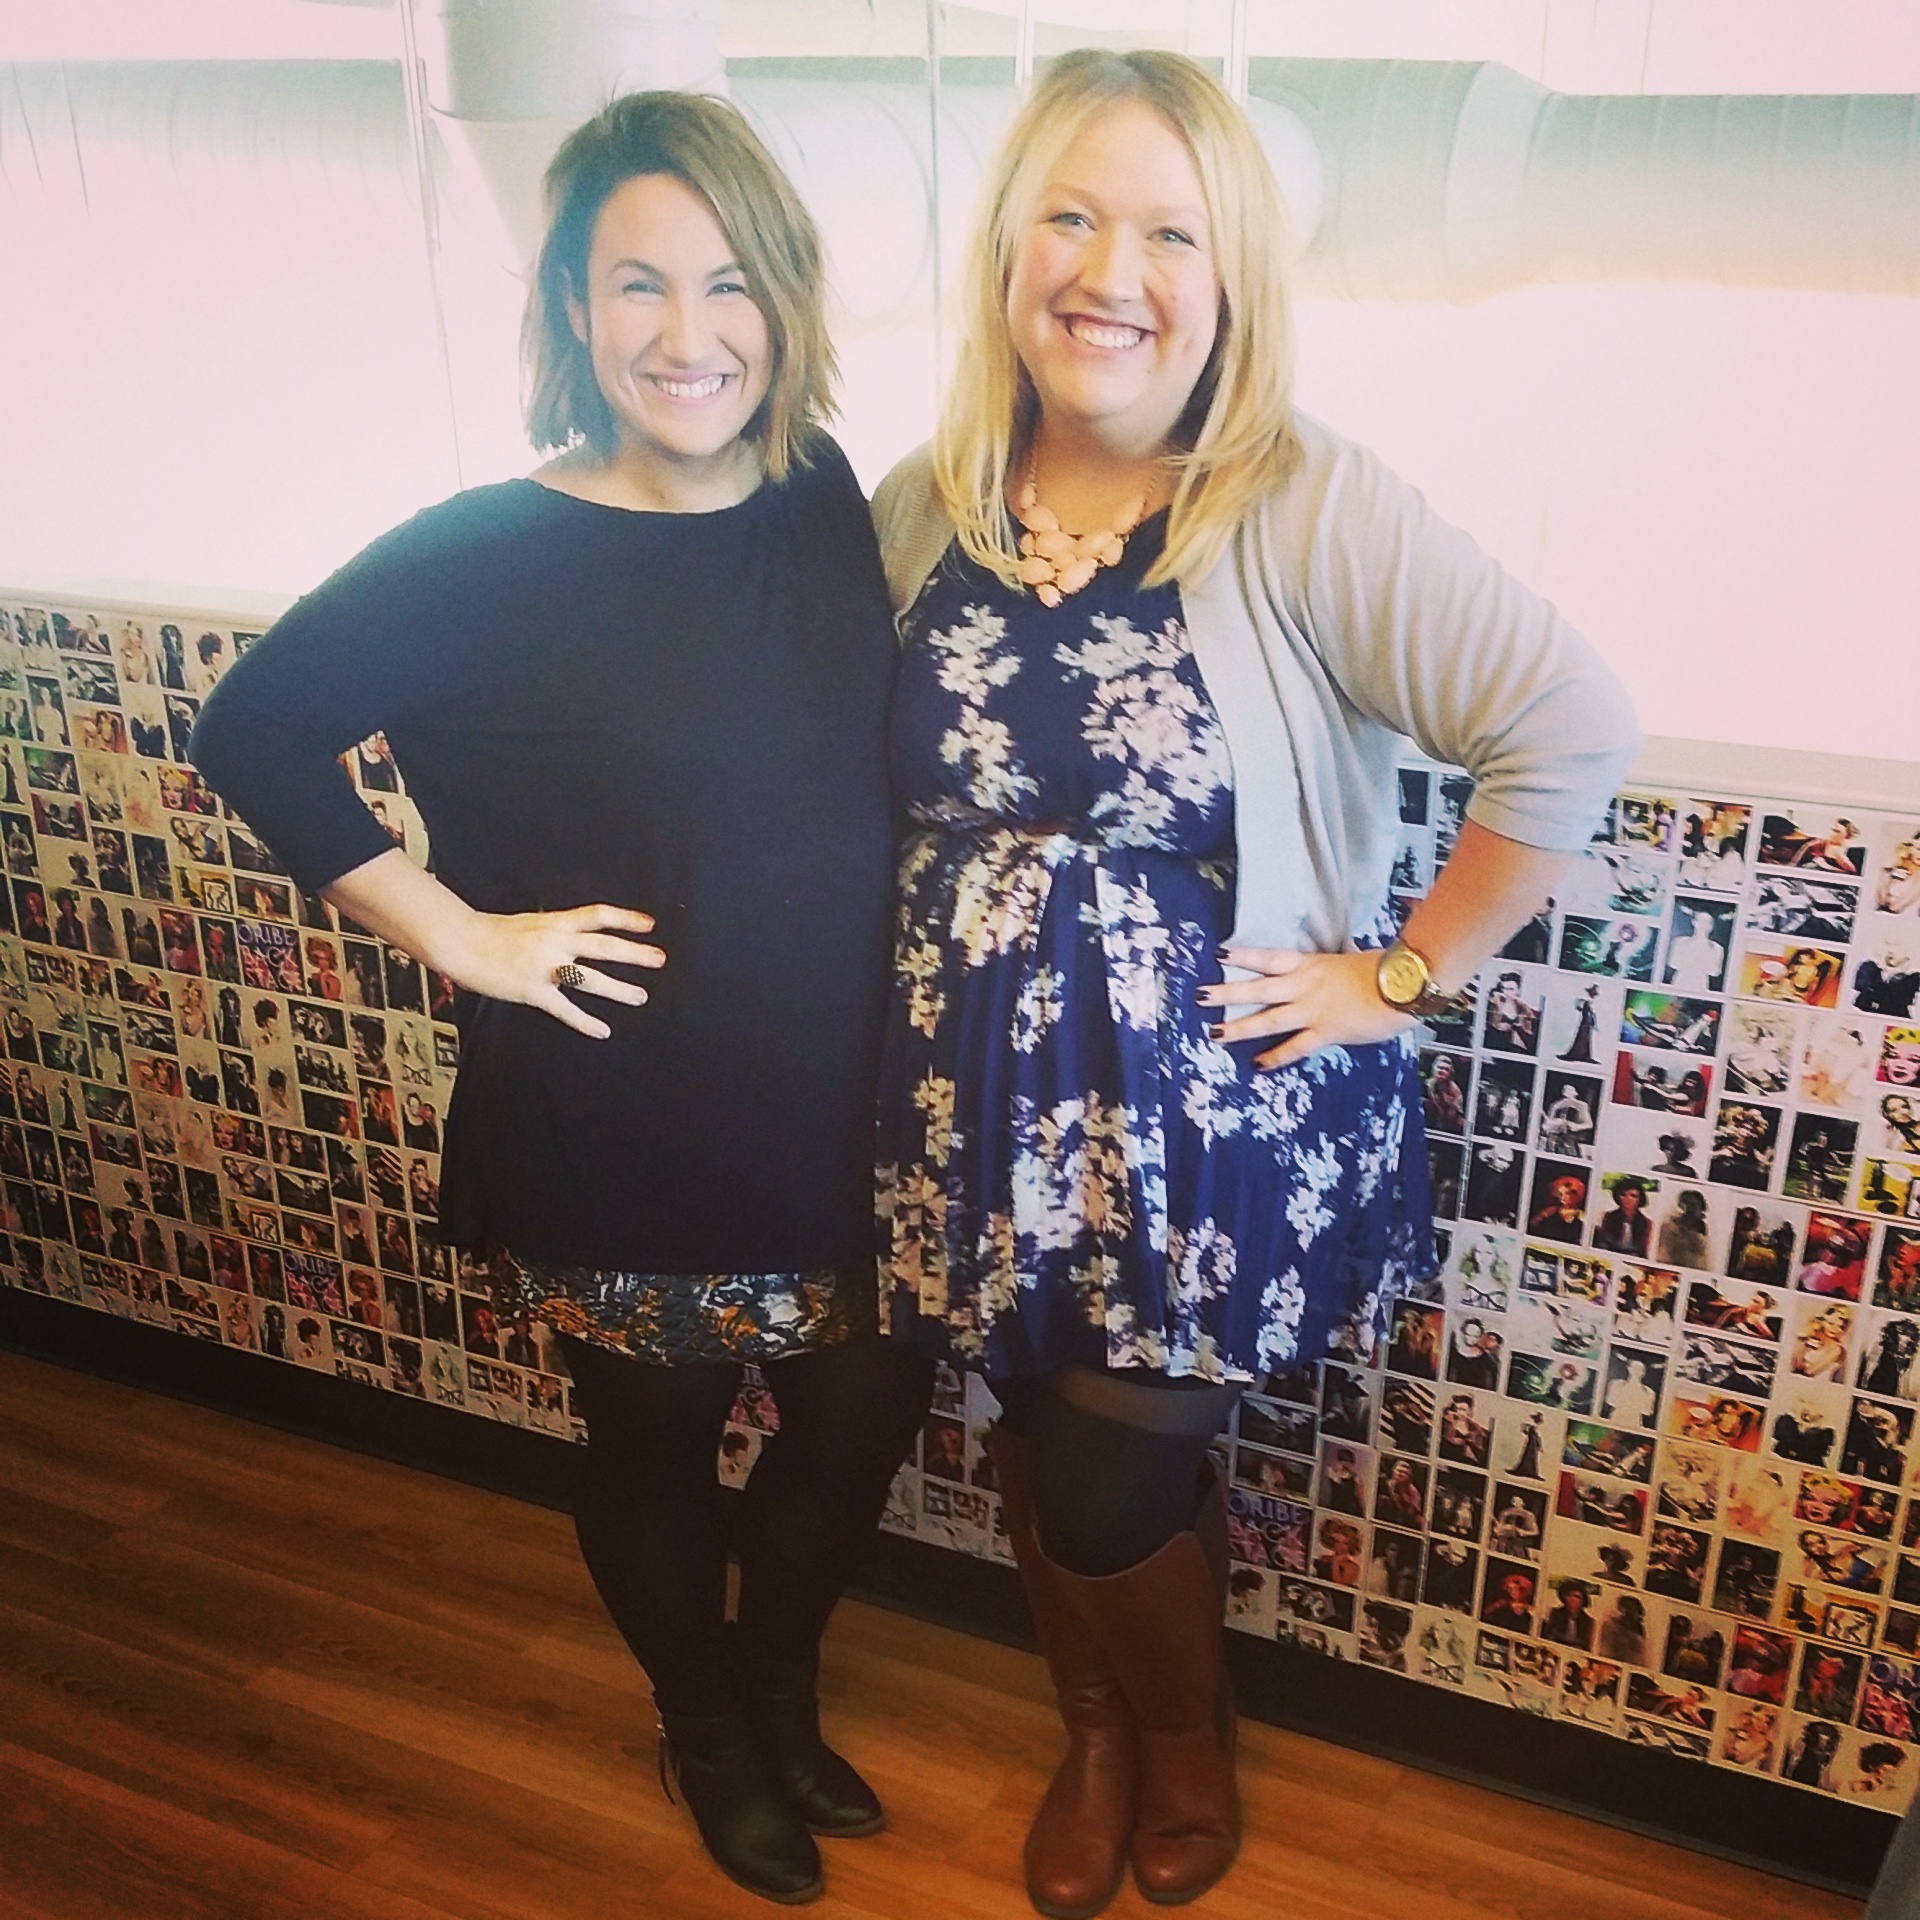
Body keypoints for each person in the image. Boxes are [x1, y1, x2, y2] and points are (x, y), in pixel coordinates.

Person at [867, 50, 1637, 1918]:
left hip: (1213, 1118)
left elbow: (1566, 725)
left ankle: (1182, 1731)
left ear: (1232, 280)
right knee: (1039, 1432)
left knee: (1112, 1476)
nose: (1106, 271)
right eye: (1068, 216)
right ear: (1005, 246)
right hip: (982, 1105)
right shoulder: (925, 498)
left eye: (1168, 233)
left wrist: (1405, 974)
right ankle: (1096, 1732)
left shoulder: (1296, 498)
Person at [190, 93, 935, 1906]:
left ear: (787, 300)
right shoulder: (480, 552)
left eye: (730, 282)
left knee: (857, 1423)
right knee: (658, 1444)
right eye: (639, 285)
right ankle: (705, 1727)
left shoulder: (822, 493)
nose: (690, 334)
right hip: (623, 1111)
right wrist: (458, 933)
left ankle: (777, 1686)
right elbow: (253, 729)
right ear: (572, 309)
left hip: (847, 1101)